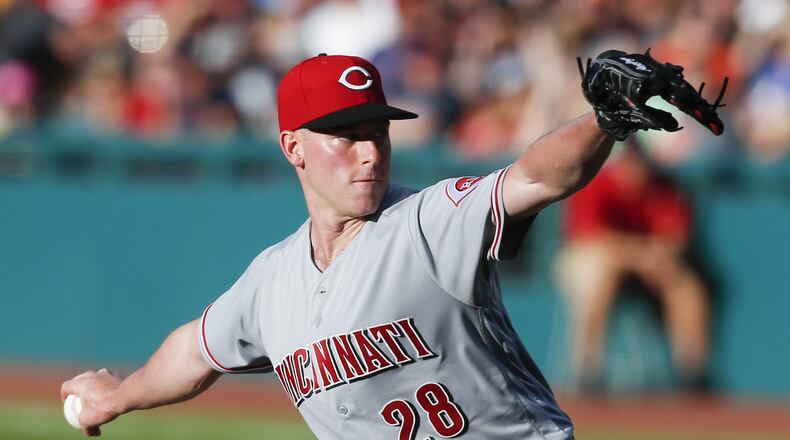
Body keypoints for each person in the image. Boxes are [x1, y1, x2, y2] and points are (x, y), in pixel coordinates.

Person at [63, 52, 647, 439]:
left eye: (377, 132)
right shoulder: (273, 280)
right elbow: (194, 351)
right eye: (345, 137)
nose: (369, 152)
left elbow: (536, 178)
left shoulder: (429, 220)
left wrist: (603, 121)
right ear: (293, 147)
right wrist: (115, 399)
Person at [556, 142, 710, 392]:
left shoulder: (659, 186)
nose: (635, 168)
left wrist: (657, 256)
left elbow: (676, 236)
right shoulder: (598, 182)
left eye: (639, 162)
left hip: (645, 261)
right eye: (629, 162)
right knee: (600, 274)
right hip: (590, 259)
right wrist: (638, 255)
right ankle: (587, 369)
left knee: (685, 285)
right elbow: (589, 238)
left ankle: (692, 372)